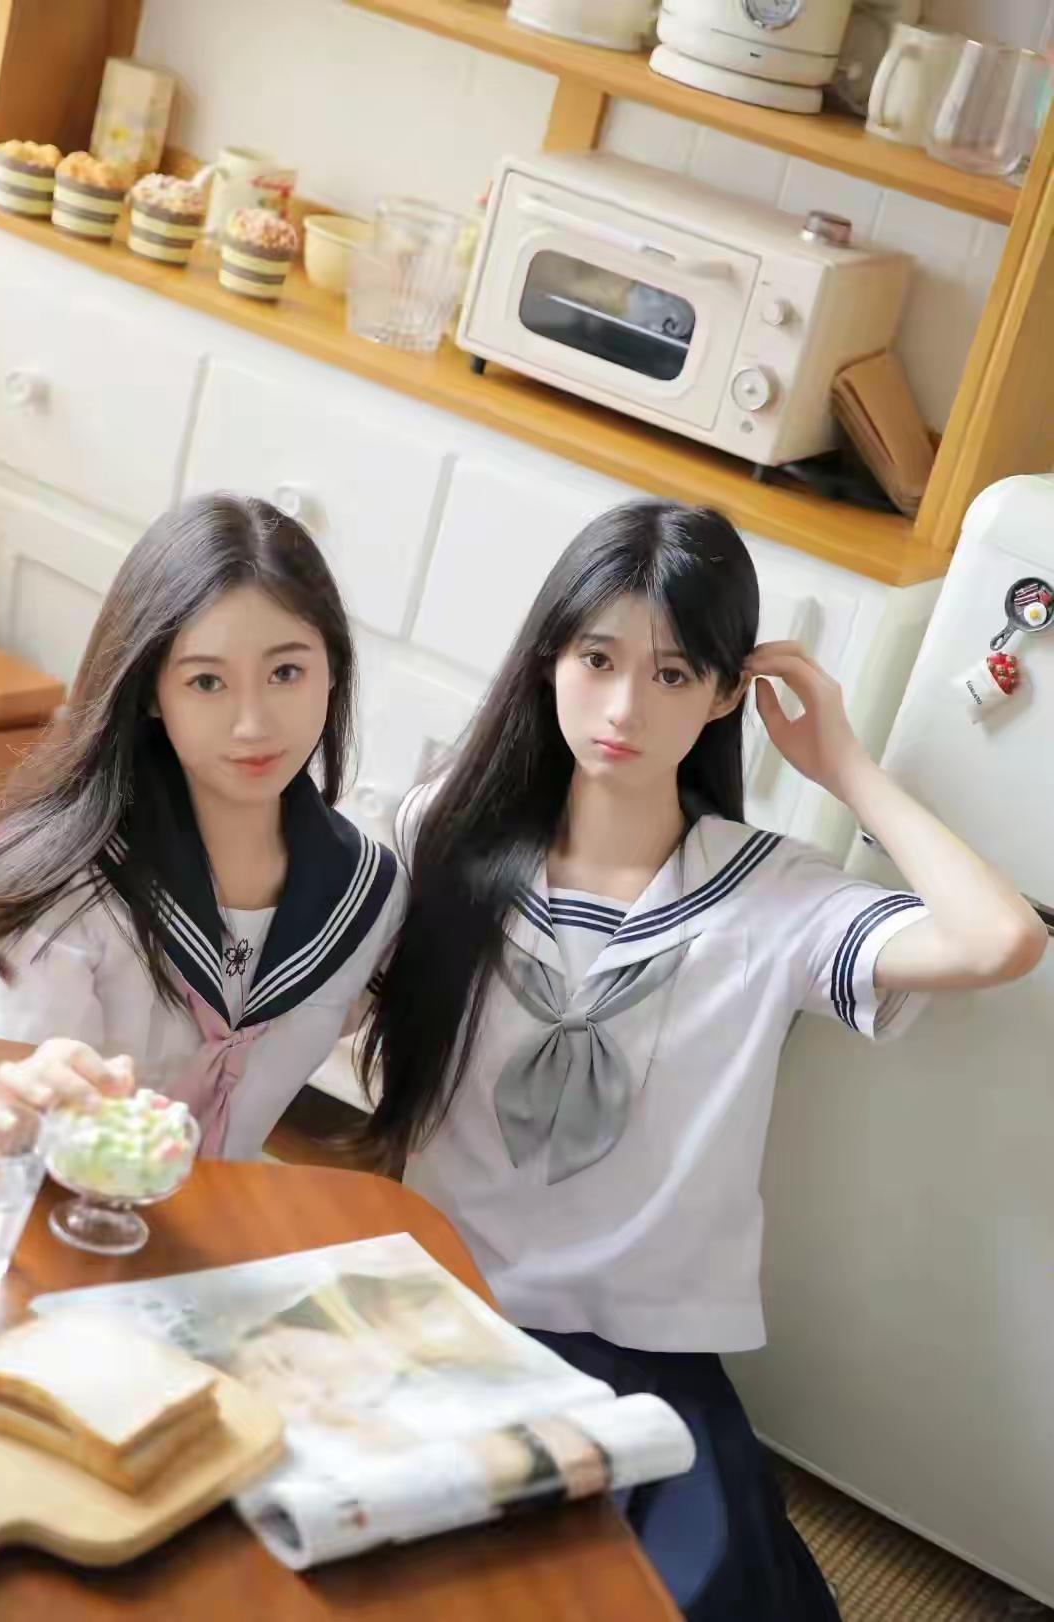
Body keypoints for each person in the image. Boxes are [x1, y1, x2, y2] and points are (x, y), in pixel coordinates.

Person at [356, 500, 1045, 1619]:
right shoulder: (448, 832)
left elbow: (1000, 939)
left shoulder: (773, 896)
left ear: (728, 694)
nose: (625, 707)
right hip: (439, 1312)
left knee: (687, 1596)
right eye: (597, 660)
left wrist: (844, 766)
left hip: (641, 1358)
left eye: (673, 674)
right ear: (550, 659)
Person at [0, 494, 404, 1158]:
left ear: (333, 671)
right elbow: (11, 1131)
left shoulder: (368, 895)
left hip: (219, 1216)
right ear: (151, 690)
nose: (253, 724)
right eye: (207, 682)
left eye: (286, 672)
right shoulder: (63, 887)